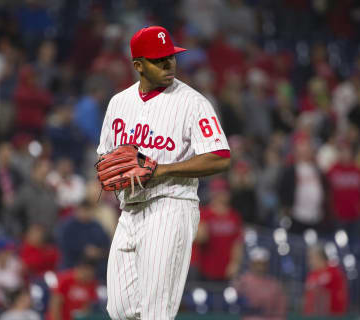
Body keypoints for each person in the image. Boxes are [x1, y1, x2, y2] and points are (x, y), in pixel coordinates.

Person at [97, 26, 230, 319]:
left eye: (171, 56)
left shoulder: (193, 102)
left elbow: (220, 157)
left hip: (171, 206)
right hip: (129, 211)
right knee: (120, 310)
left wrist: (162, 170)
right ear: (138, 65)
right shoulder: (119, 103)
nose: (169, 64)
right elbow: (105, 158)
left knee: (156, 312)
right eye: (160, 59)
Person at [195, 178, 243, 281]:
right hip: (205, 269)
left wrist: (235, 263)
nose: (224, 195)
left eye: (225, 192)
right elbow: (201, 238)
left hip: (226, 270)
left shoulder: (234, 216)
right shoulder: (204, 213)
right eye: (221, 192)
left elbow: (237, 242)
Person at [232, 247, 287, 320]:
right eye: (257, 263)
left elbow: (281, 310)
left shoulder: (274, 284)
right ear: (251, 264)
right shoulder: (242, 281)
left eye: (262, 264)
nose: (260, 267)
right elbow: (234, 304)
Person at [303, 245, 348, 316]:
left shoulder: (333, 271)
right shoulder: (312, 275)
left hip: (332, 315)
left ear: (320, 258)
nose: (309, 262)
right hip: (312, 315)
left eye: (311, 258)